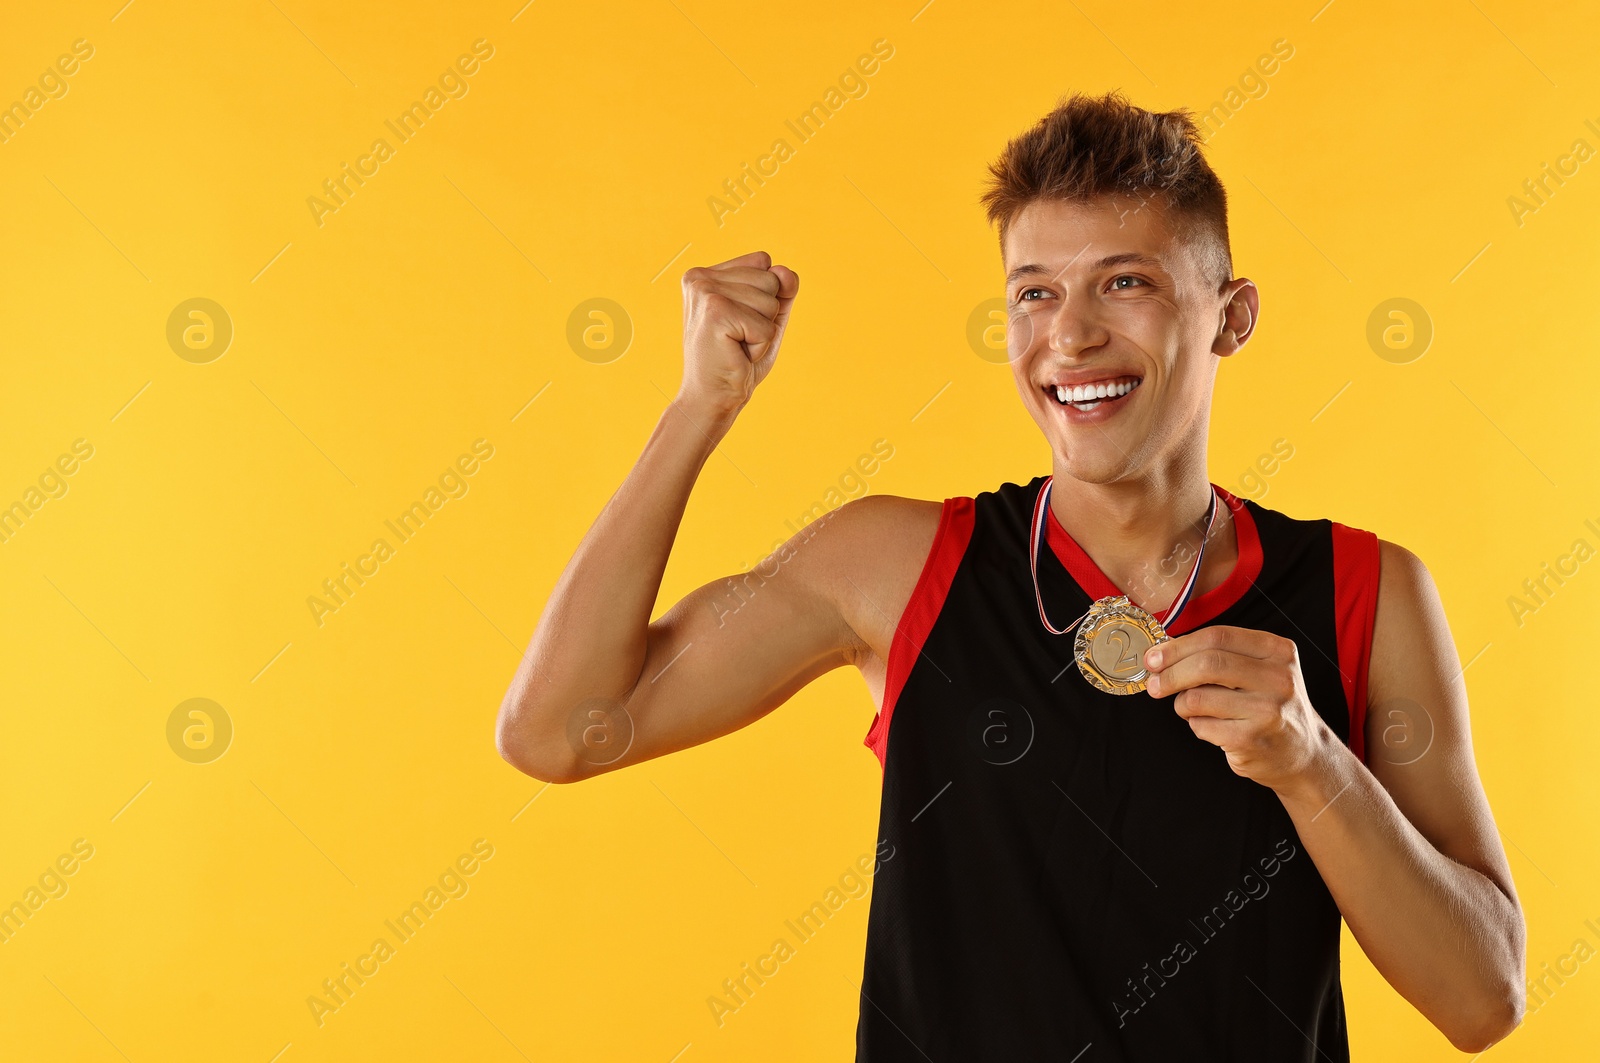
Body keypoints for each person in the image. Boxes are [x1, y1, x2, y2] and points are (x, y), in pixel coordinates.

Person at [495, 90, 1525, 1060]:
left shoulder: (1366, 589)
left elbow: (1481, 1000)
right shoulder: (894, 566)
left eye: (1125, 282)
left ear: (1231, 316)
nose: (1070, 336)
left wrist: (1312, 764)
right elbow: (559, 730)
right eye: (1035, 293)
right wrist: (699, 409)